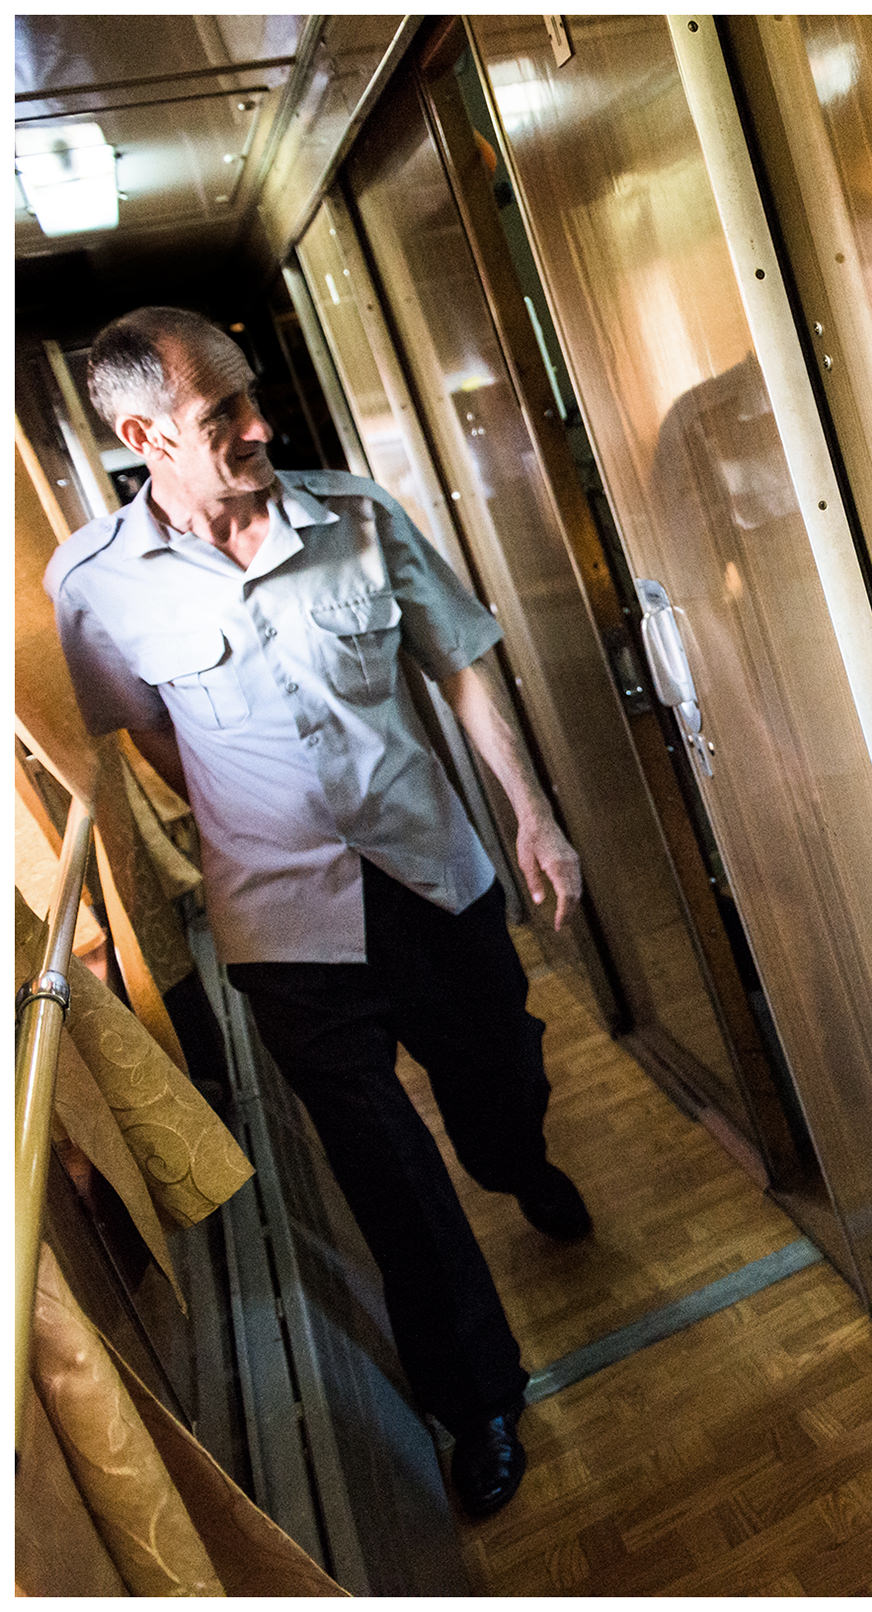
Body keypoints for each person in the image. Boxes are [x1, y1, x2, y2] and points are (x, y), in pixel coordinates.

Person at [45, 305, 588, 1517]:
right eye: (222, 411)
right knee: (388, 1173)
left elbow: (458, 659)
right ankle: (481, 1398)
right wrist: (251, 823)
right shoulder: (90, 587)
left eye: (252, 396)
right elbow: (146, 729)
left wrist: (532, 814)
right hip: (285, 934)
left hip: (432, 880)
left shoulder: (355, 516)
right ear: (144, 435)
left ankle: (520, 1157)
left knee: (499, 1087)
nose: (261, 424)